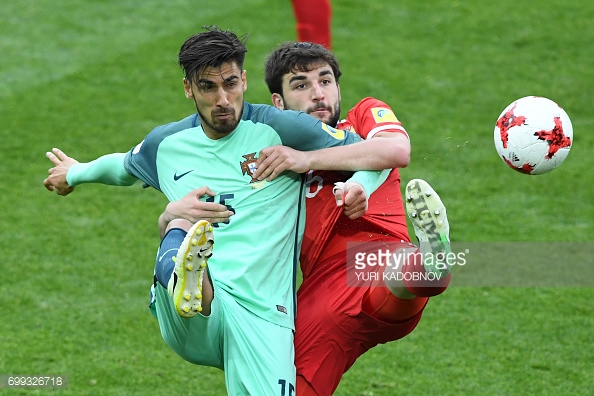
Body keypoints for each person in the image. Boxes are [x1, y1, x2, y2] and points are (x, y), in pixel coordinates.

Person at [43, 27, 401, 395]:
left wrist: (350, 181)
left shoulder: (283, 129)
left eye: (231, 83)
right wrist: (73, 173)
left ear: (244, 79)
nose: (223, 99)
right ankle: (191, 279)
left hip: (264, 316)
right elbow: (121, 166)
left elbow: (379, 156)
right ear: (189, 89)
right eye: (208, 87)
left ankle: (190, 271)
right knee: (179, 218)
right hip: (192, 318)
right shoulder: (167, 145)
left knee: (176, 219)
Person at [160, 42, 453, 395]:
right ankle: (429, 266)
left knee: (395, 271)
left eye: (325, 81)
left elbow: (394, 149)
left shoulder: (361, 116)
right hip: (321, 293)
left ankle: (430, 264)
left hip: (374, 258)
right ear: (278, 103)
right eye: (301, 85)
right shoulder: (275, 148)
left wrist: (348, 179)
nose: (318, 95)